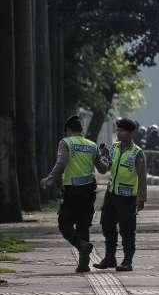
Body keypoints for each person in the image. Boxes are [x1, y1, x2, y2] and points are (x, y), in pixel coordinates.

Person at [40, 115, 109, 273]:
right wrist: (105, 156)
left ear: (69, 130)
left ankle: (82, 246)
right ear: (81, 130)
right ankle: (84, 264)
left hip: (72, 190)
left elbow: (61, 163)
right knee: (83, 225)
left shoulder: (66, 142)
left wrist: (49, 180)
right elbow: (103, 169)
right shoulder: (92, 145)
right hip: (89, 190)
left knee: (64, 224)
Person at [94, 118, 148, 272]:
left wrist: (141, 198)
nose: (118, 133)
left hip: (127, 197)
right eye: (117, 130)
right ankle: (109, 258)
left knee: (127, 230)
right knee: (107, 225)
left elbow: (142, 177)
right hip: (111, 194)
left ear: (130, 133)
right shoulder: (115, 148)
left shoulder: (137, 153)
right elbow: (105, 169)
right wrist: (100, 156)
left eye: (121, 131)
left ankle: (127, 261)